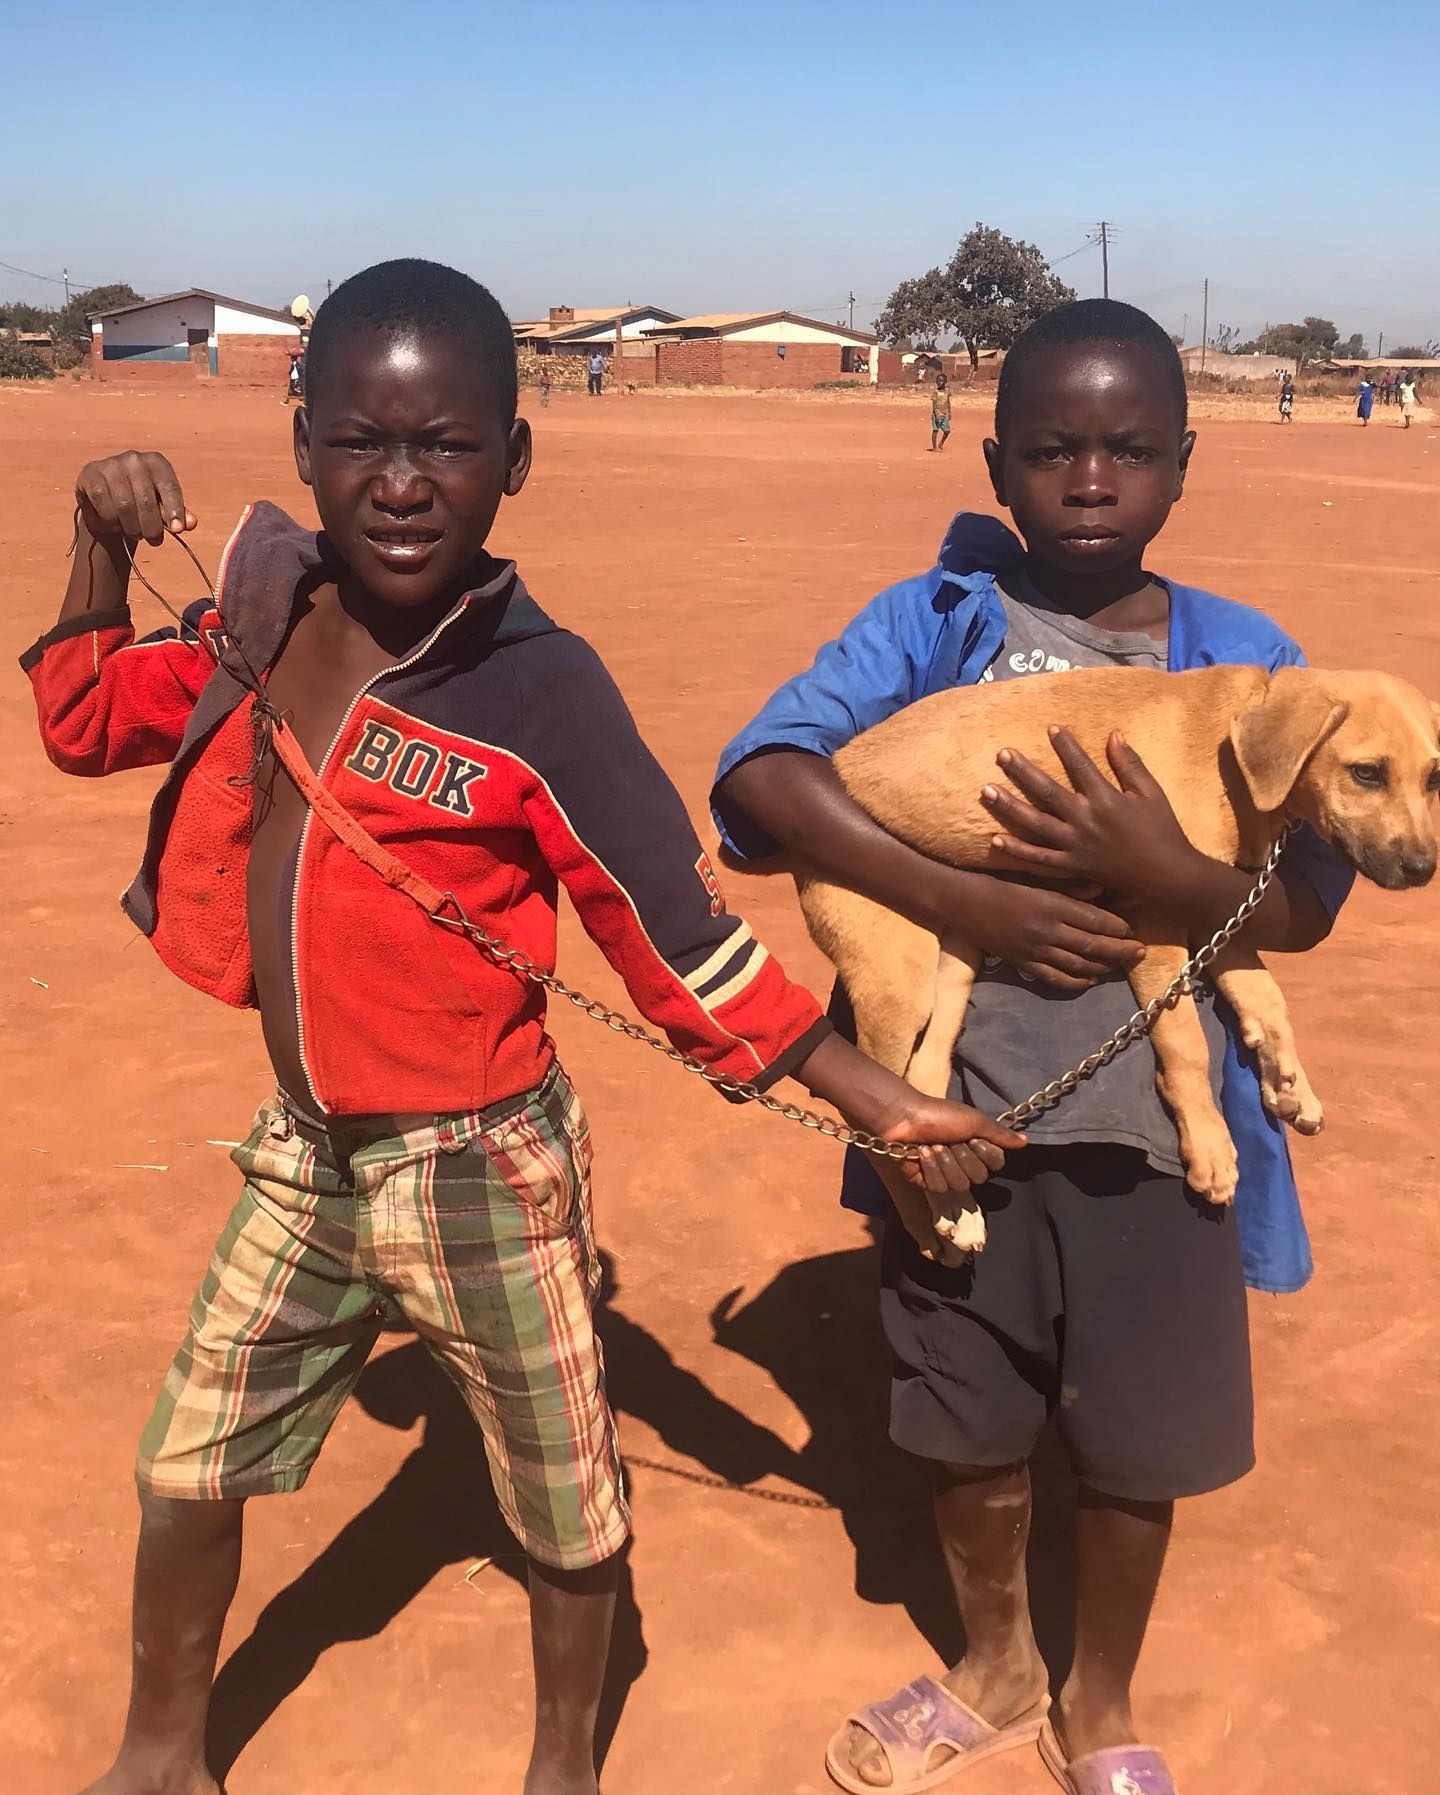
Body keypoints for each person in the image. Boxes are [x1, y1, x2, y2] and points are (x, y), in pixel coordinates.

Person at [22, 258, 1020, 1795]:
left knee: (565, 1503)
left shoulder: (544, 696)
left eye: (448, 445)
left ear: (515, 459)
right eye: (363, 439)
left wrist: (872, 1095)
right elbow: (86, 716)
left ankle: (563, 1769)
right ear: (305, 441)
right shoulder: (261, 621)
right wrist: (96, 543)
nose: (404, 482)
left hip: (486, 1166)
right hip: (306, 1161)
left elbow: (679, 943)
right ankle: (160, 1757)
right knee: (185, 1463)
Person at [712, 298, 1353, 1795]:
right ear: (996, 466)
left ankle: (1100, 1691)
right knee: (968, 1409)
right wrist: (962, 900)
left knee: (1139, 1437)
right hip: (958, 1113)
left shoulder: (1244, 664)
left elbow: (1310, 898)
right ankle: (994, 1660)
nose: (1090, 480)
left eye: (1129, 450)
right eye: (1054, 450)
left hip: (1159, 1134)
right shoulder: (933, 623)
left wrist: (1176, 880)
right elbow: (764, 779)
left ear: (1183, 468)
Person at [930, 372, 953, 452]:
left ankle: (941, 444)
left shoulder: (947, 391)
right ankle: (934, 447)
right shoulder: (935, 392)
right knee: (935, 430)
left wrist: (949, 412)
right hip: (937, 414)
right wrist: (936, 415)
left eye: (942, 381)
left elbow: (948, 402)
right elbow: (934, 404)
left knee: (947, 431)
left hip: (944, 414)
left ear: (945, 382)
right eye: (938, 381)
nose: (940, 382)